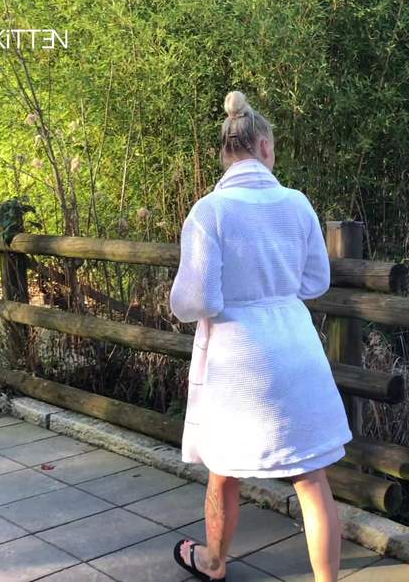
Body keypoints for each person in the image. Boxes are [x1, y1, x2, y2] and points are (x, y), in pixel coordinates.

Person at [169, 90, 353, 582]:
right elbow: (315, 282)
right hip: (295, 347)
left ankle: (213, 562)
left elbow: (195, 300)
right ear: (265, 146)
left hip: (239, 359)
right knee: (311, 478)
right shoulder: (297, 204)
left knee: (223, 470)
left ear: (225, 151)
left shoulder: (209, 211)